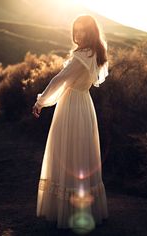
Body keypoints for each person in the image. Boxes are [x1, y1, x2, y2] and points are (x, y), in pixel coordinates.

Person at [32, 14, 109, 230]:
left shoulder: (83, 55)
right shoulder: (96, 53)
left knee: (69, 153)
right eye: (76, 30)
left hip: (72, 106)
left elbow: (59, 80)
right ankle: (83, 209)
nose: (78, 34)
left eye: (83, 30)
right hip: (84, 104)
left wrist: (41, 101)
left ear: (91, 31)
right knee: (81, 154)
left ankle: (68, 213)